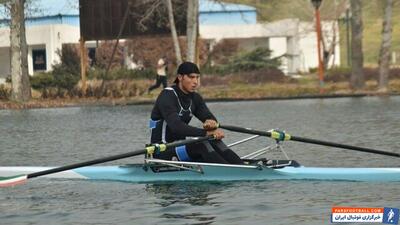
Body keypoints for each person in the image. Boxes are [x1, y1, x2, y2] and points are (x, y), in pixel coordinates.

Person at [148, 61, 243, 164]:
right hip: (162, 150)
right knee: (201, 144)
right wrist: (205, 133)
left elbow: (209, 117)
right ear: (180, 77)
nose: (195, 82)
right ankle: (229, 172)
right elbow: (177, 127)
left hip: (180, 146)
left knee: (214, 141)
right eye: (191, 77)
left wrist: (210, 123)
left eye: (197, 77)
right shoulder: (167, 96)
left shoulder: (195, 98)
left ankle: (242, 167)